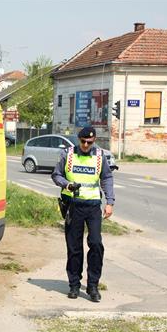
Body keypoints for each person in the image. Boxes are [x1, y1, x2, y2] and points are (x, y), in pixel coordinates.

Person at [51, 126, 115, 302]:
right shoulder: (68, 154)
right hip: (73, 206)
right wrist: (66, 184)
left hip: (93, 206)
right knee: (74, 248)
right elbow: (56, 175)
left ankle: (93, 285)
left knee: (95, 244)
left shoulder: (100, 156)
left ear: (94, 141)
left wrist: (109, 202)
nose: (86, 144)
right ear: (78, 139)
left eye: (90, 142)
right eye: (83, 141)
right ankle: (74, 285)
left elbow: (107, 178)